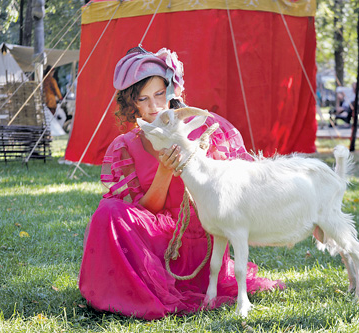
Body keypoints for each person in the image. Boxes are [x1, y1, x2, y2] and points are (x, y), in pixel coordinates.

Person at [78, 46, 284, 320]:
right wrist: (164, 171)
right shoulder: (125, 146)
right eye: (143, 99)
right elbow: (144, 212)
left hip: (201, 237)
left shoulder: (204, 129)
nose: (154, 107)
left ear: (172, 89)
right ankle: (123, 293)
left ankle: (187, 282)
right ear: (132, 104)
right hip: (156, 242)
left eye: (159, 94)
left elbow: (239, 186)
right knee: (107, 212)